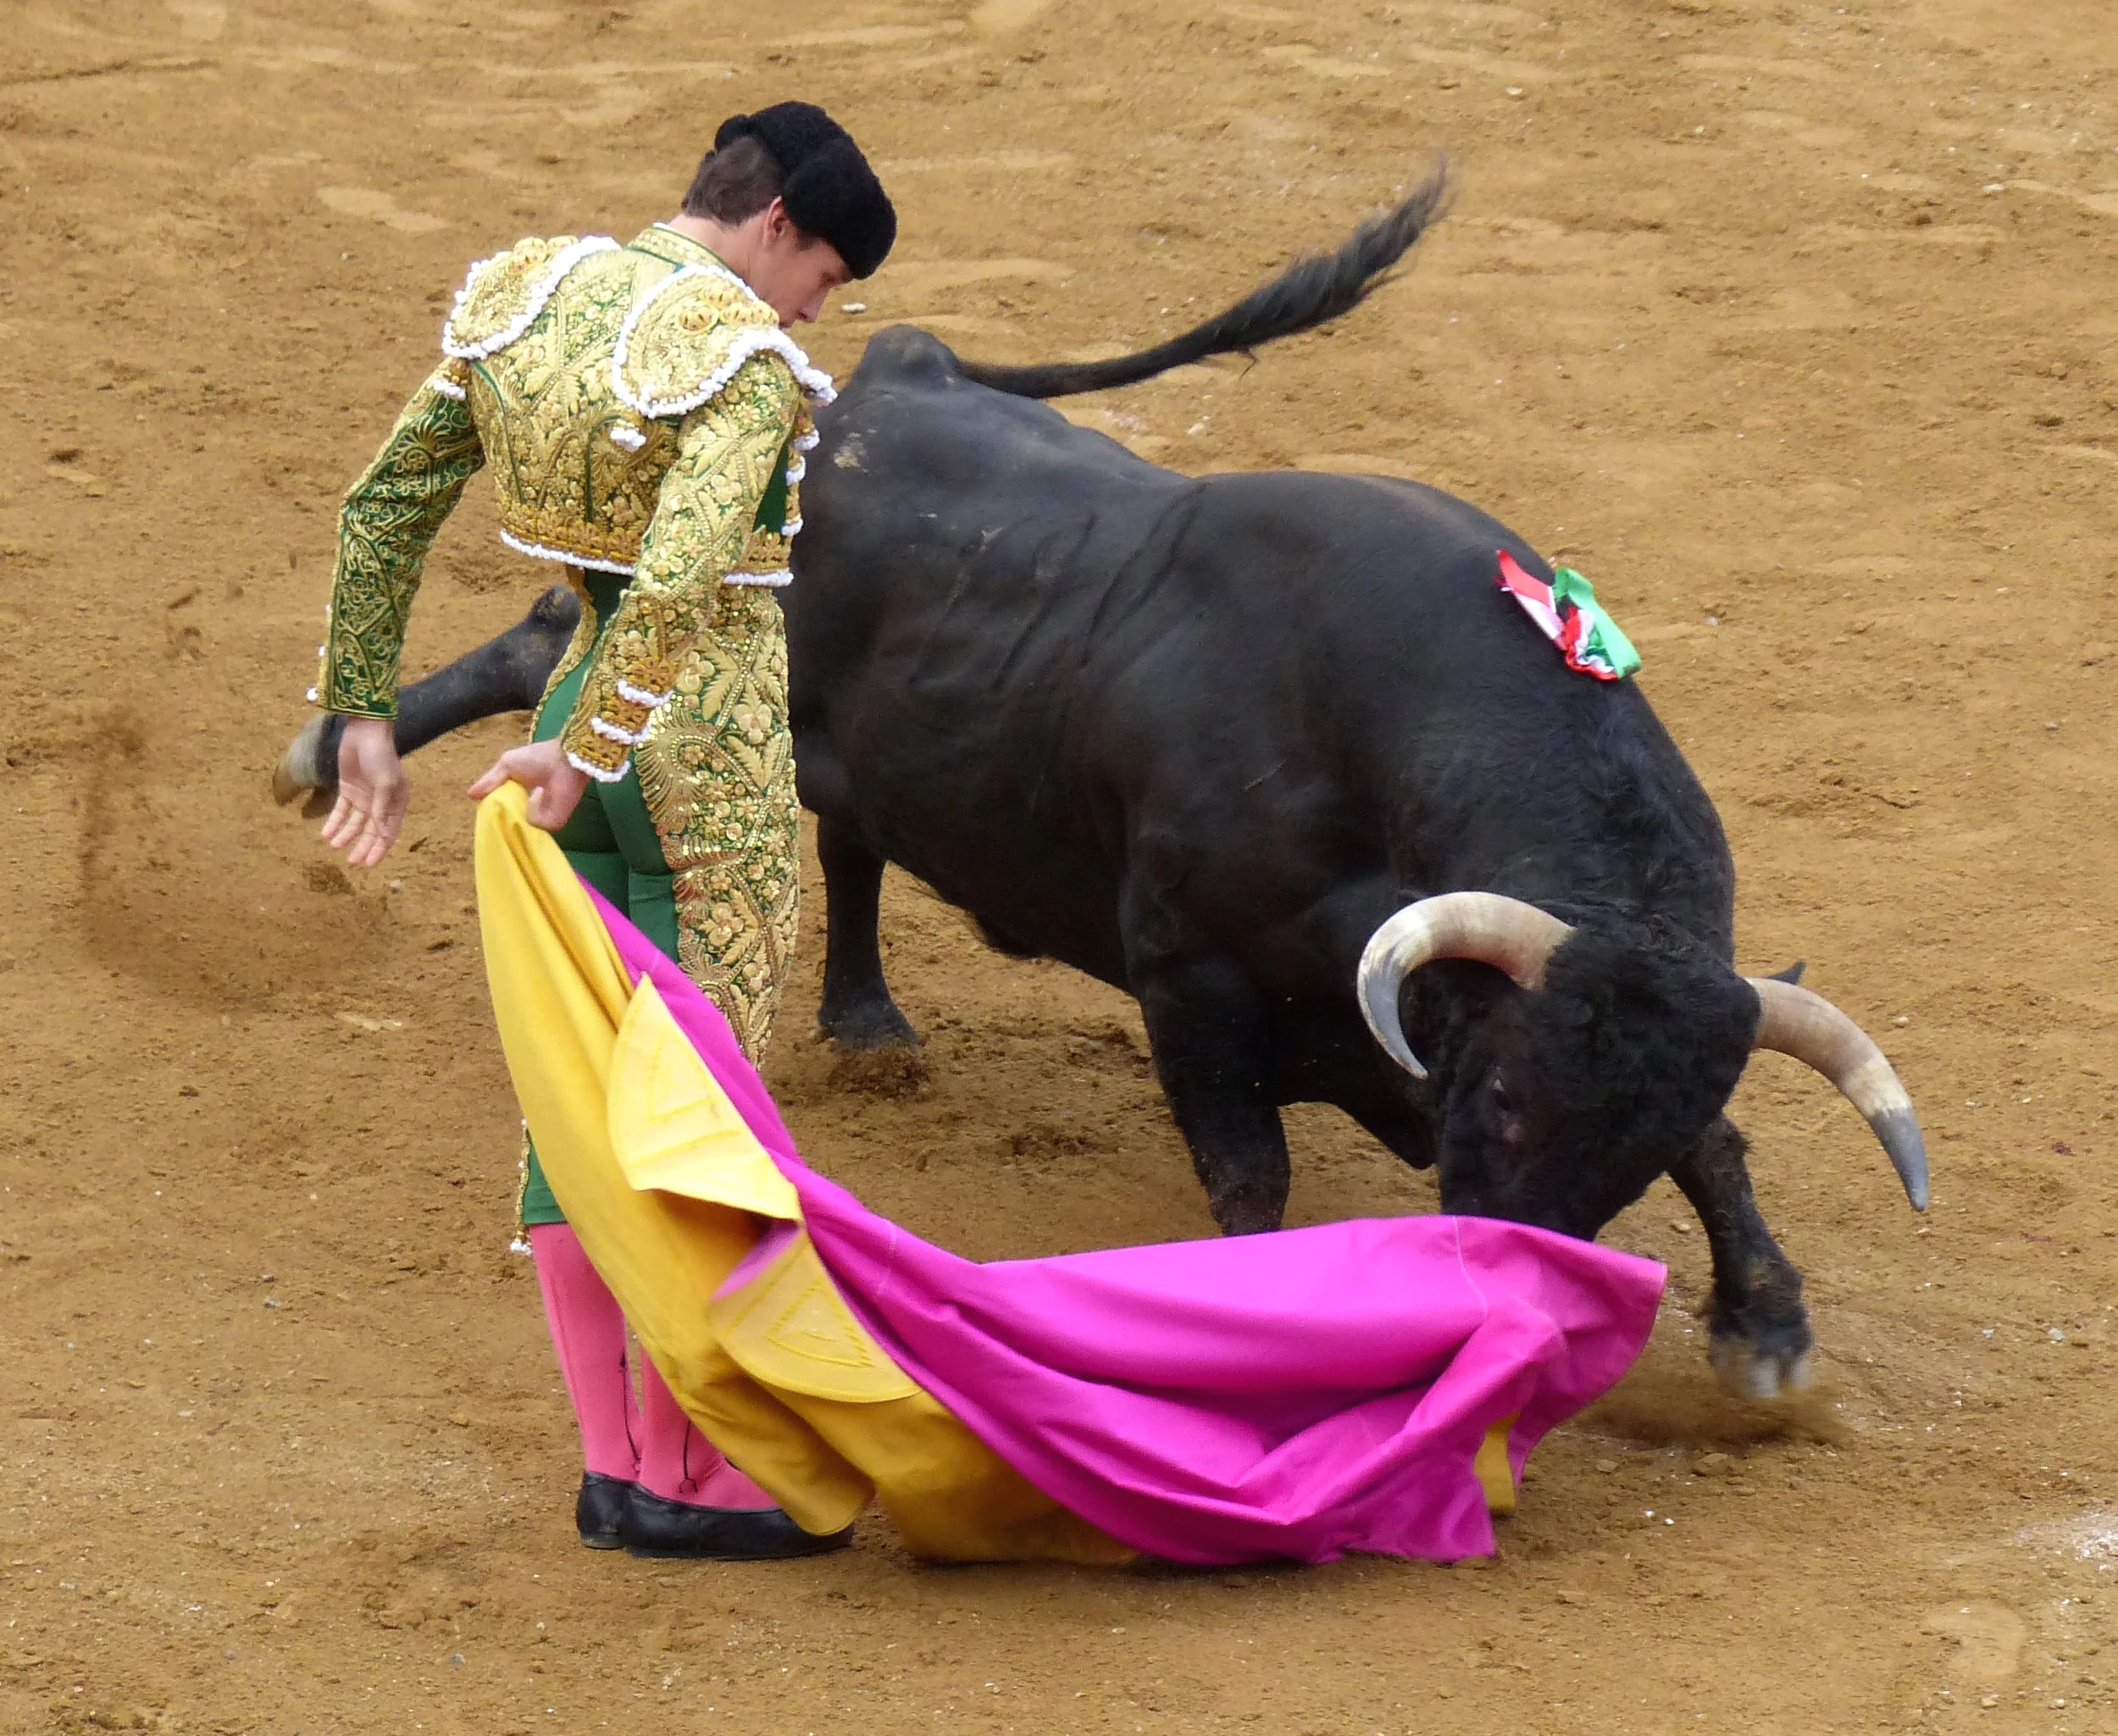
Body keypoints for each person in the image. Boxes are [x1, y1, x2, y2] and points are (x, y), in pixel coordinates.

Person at [308, 102, 896, 1560]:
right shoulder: (747, 361)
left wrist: (365, 708)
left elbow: (384, 504)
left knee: (575, 1086)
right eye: (826, 271)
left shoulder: (528, 296)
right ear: (778, 224)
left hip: (568, 708)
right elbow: (693, 572)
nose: (819, 304)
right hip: (696, 748)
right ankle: (697, 1473)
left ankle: (610, 1461)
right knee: (702, 1100)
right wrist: (598, 743)